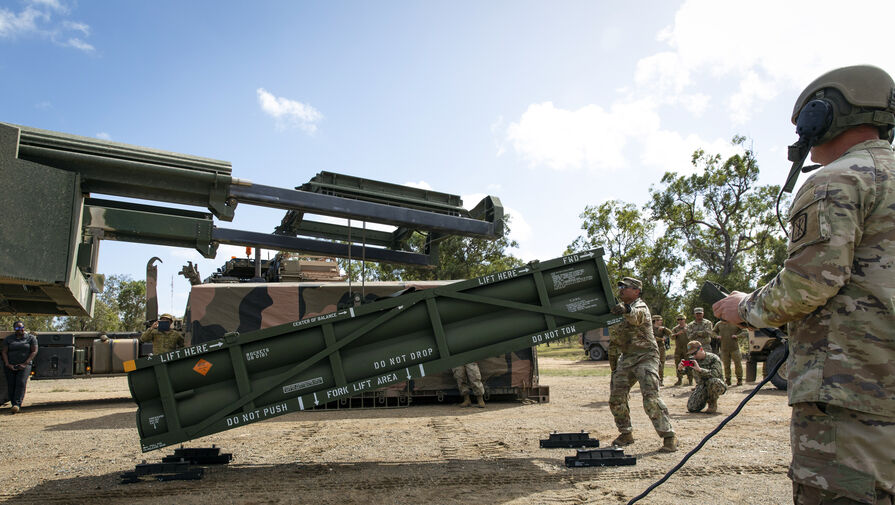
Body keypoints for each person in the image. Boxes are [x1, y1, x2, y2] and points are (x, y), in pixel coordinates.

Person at [712, 65, 895, 504]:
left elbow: (808, 285)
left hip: (851, 398)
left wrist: (745, 307)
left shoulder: (838, 181)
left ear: (822, 115)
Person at [608, 277, 676, 452]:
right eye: (620, 287)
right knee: (616, 398)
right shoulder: (618, 310)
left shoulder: (640, 306)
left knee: (650, 398)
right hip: (627, 357)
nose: (621, 290)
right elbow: (615, 340)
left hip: (646, 356)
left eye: (626, 287)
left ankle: (669, 437)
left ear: (636, 291)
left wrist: (625, 309)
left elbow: (636, 316)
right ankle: (626, 433)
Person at [678, 341, 726, 414]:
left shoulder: (713, 358)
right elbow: (686, 372)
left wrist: (700, 370)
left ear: (701, 349)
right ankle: (704, 399)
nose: (693, 356)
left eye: (694, 353)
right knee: (692, 408)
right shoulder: (693, 361)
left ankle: (712, 403)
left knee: (713, 381)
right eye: (691, 354)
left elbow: (715, 374)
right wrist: (680, 369)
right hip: (702, 386)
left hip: (717, 385)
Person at [2, 321, 38, 414]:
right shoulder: (9, 339)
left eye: (22, 327)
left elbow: (34, 351)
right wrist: (7, 364)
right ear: (14, 329)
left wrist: (25, 364)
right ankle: (13, 403)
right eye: (18, 328)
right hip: (10, 365)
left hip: (25, 365)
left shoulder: (30, 338)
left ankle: (17, 404)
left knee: (21, 382)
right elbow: (4, 352)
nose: (20, 330)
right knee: (11, 384)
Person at [712, 320, 745, 386]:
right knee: (726, 365)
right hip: (724, 348)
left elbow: (744, 332)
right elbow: (713, 332)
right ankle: (728, 380)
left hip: (734, 348)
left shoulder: (735, 322)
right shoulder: (719, 324)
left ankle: (739, 379)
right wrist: (717, 336)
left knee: (738, 364)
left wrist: (737, 336)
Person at [671, 314, 693, 386]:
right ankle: (679, 379)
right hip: (678, 348)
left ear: (685, 319)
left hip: (688, 348)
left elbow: (693, 336)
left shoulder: (689, 327)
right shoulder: (675, 329)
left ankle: (690, 380)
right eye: (678, 319)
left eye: (682, 319)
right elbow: (671, 337)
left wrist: (687, 332)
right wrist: (677, 334)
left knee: (689, 363)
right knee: (678, 363)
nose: (680, 321)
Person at [651, 315, 672, 385]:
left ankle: (660, 380)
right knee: (653, 364)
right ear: (655, 321)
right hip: (653, 348)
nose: (661, 322)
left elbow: (671, 334)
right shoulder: (650, 328)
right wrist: (661, 339)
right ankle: (654, 380)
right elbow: (652, 337)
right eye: (660, 320)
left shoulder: (662, 328)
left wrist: (664, 328)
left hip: (661, 348)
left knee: (661, 363)